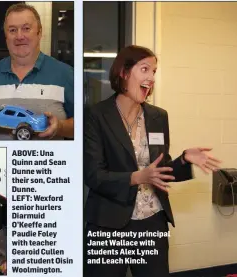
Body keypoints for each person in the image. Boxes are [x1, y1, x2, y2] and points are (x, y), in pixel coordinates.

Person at [83, 45, 222, 277]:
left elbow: (161, 170)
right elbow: (93, 174)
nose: (151, 77)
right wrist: (137, 177)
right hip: (108, 223)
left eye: (154, 71)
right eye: (145, 69)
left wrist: (184, 160)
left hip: (151, 221)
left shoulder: (158, 117)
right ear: (124, 73)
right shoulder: (97, 115)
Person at [0, 3, 74, 140]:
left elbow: (84, 125)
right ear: (5, 36)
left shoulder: (66, 73)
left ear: (39, 32)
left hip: (45, 160)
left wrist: (60, 127)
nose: (19, 36)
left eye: (26, 28)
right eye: (12, 30)